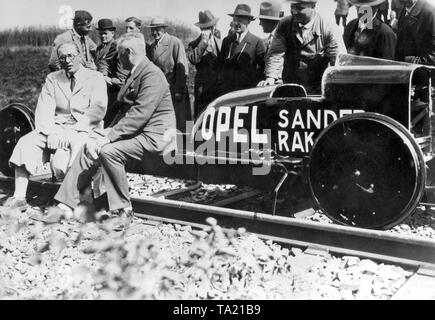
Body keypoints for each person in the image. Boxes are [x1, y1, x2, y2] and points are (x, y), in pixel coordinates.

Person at [54, 32, 177, 217]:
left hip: (156, 137)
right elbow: (121, 108)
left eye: (119, 54)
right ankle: (65, 204)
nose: (118, 59)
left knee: (108, 151)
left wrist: (109, 137)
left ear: (127, 52)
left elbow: (139, 115)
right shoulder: (136, 73)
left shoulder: (152, 75)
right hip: (138, 133)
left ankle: (123, 210)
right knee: (91, 144)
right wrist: (100, 133)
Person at [4, 42, 107, 212]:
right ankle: (20, 196)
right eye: (62, 57)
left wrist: (73, 131)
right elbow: (44, 109)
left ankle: (76, 200)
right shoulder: (53, 79)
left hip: (86, 128)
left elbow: (98, 110)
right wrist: (50, 133)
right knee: (27, 142)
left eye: (71, 56)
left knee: (76, 148)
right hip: (57, 127)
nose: (67, 60)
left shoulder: (95, 78)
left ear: (80, 56)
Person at [258, 0, 345, 94]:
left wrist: (338, 87)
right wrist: (270, 77)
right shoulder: (284, 24)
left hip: (318, 89)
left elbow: (338, 62)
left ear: (313, 6)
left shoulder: (328, 27)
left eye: (299, 8)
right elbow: (276, 53)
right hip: (291, 87)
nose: (294, 11)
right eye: (292, 7)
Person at [146, 17, 192, 132]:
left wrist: (179, 90)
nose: (155, 32)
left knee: (182, 122)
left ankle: (187, 147)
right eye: (152, 30)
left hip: (175, 89)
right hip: (160, 91)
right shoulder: (152, 47)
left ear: (164, 29)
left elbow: (182, 68)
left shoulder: (174, 42)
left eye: (158, 29)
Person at [218, 4, 266, 96]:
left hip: (245, 93)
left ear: (248, 21)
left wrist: (253, 81)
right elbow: (220, 65)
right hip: (226, 92)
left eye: (239, 21)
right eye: (234, 20)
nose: (236, 23)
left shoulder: (256, 42)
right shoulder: (227, 41)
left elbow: (264, 68)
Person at [187, 10, 222, 117]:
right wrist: (204, 42)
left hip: (218, 87)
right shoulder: (194, 44)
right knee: (201, 116)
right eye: (205, 27)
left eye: (211, 26)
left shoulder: (220, 41)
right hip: (203, 89)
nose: (209, 29)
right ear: (201, 29)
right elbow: (193, 59)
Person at [94, 18, 128, 127]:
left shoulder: (117, 46)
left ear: (112, 33)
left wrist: (105, 77)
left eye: (105, 34)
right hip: (101, 86)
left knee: (111, 115)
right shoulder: (98, 48)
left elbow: (117, 67)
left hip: (113, 87)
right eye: (101, 34)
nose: (103, 36)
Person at [395, 0, 435, 65]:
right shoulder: (404, 11)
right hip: (405, 70)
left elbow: (433, 53)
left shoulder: (430, 11)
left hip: (421, 71)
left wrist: (414, 61)